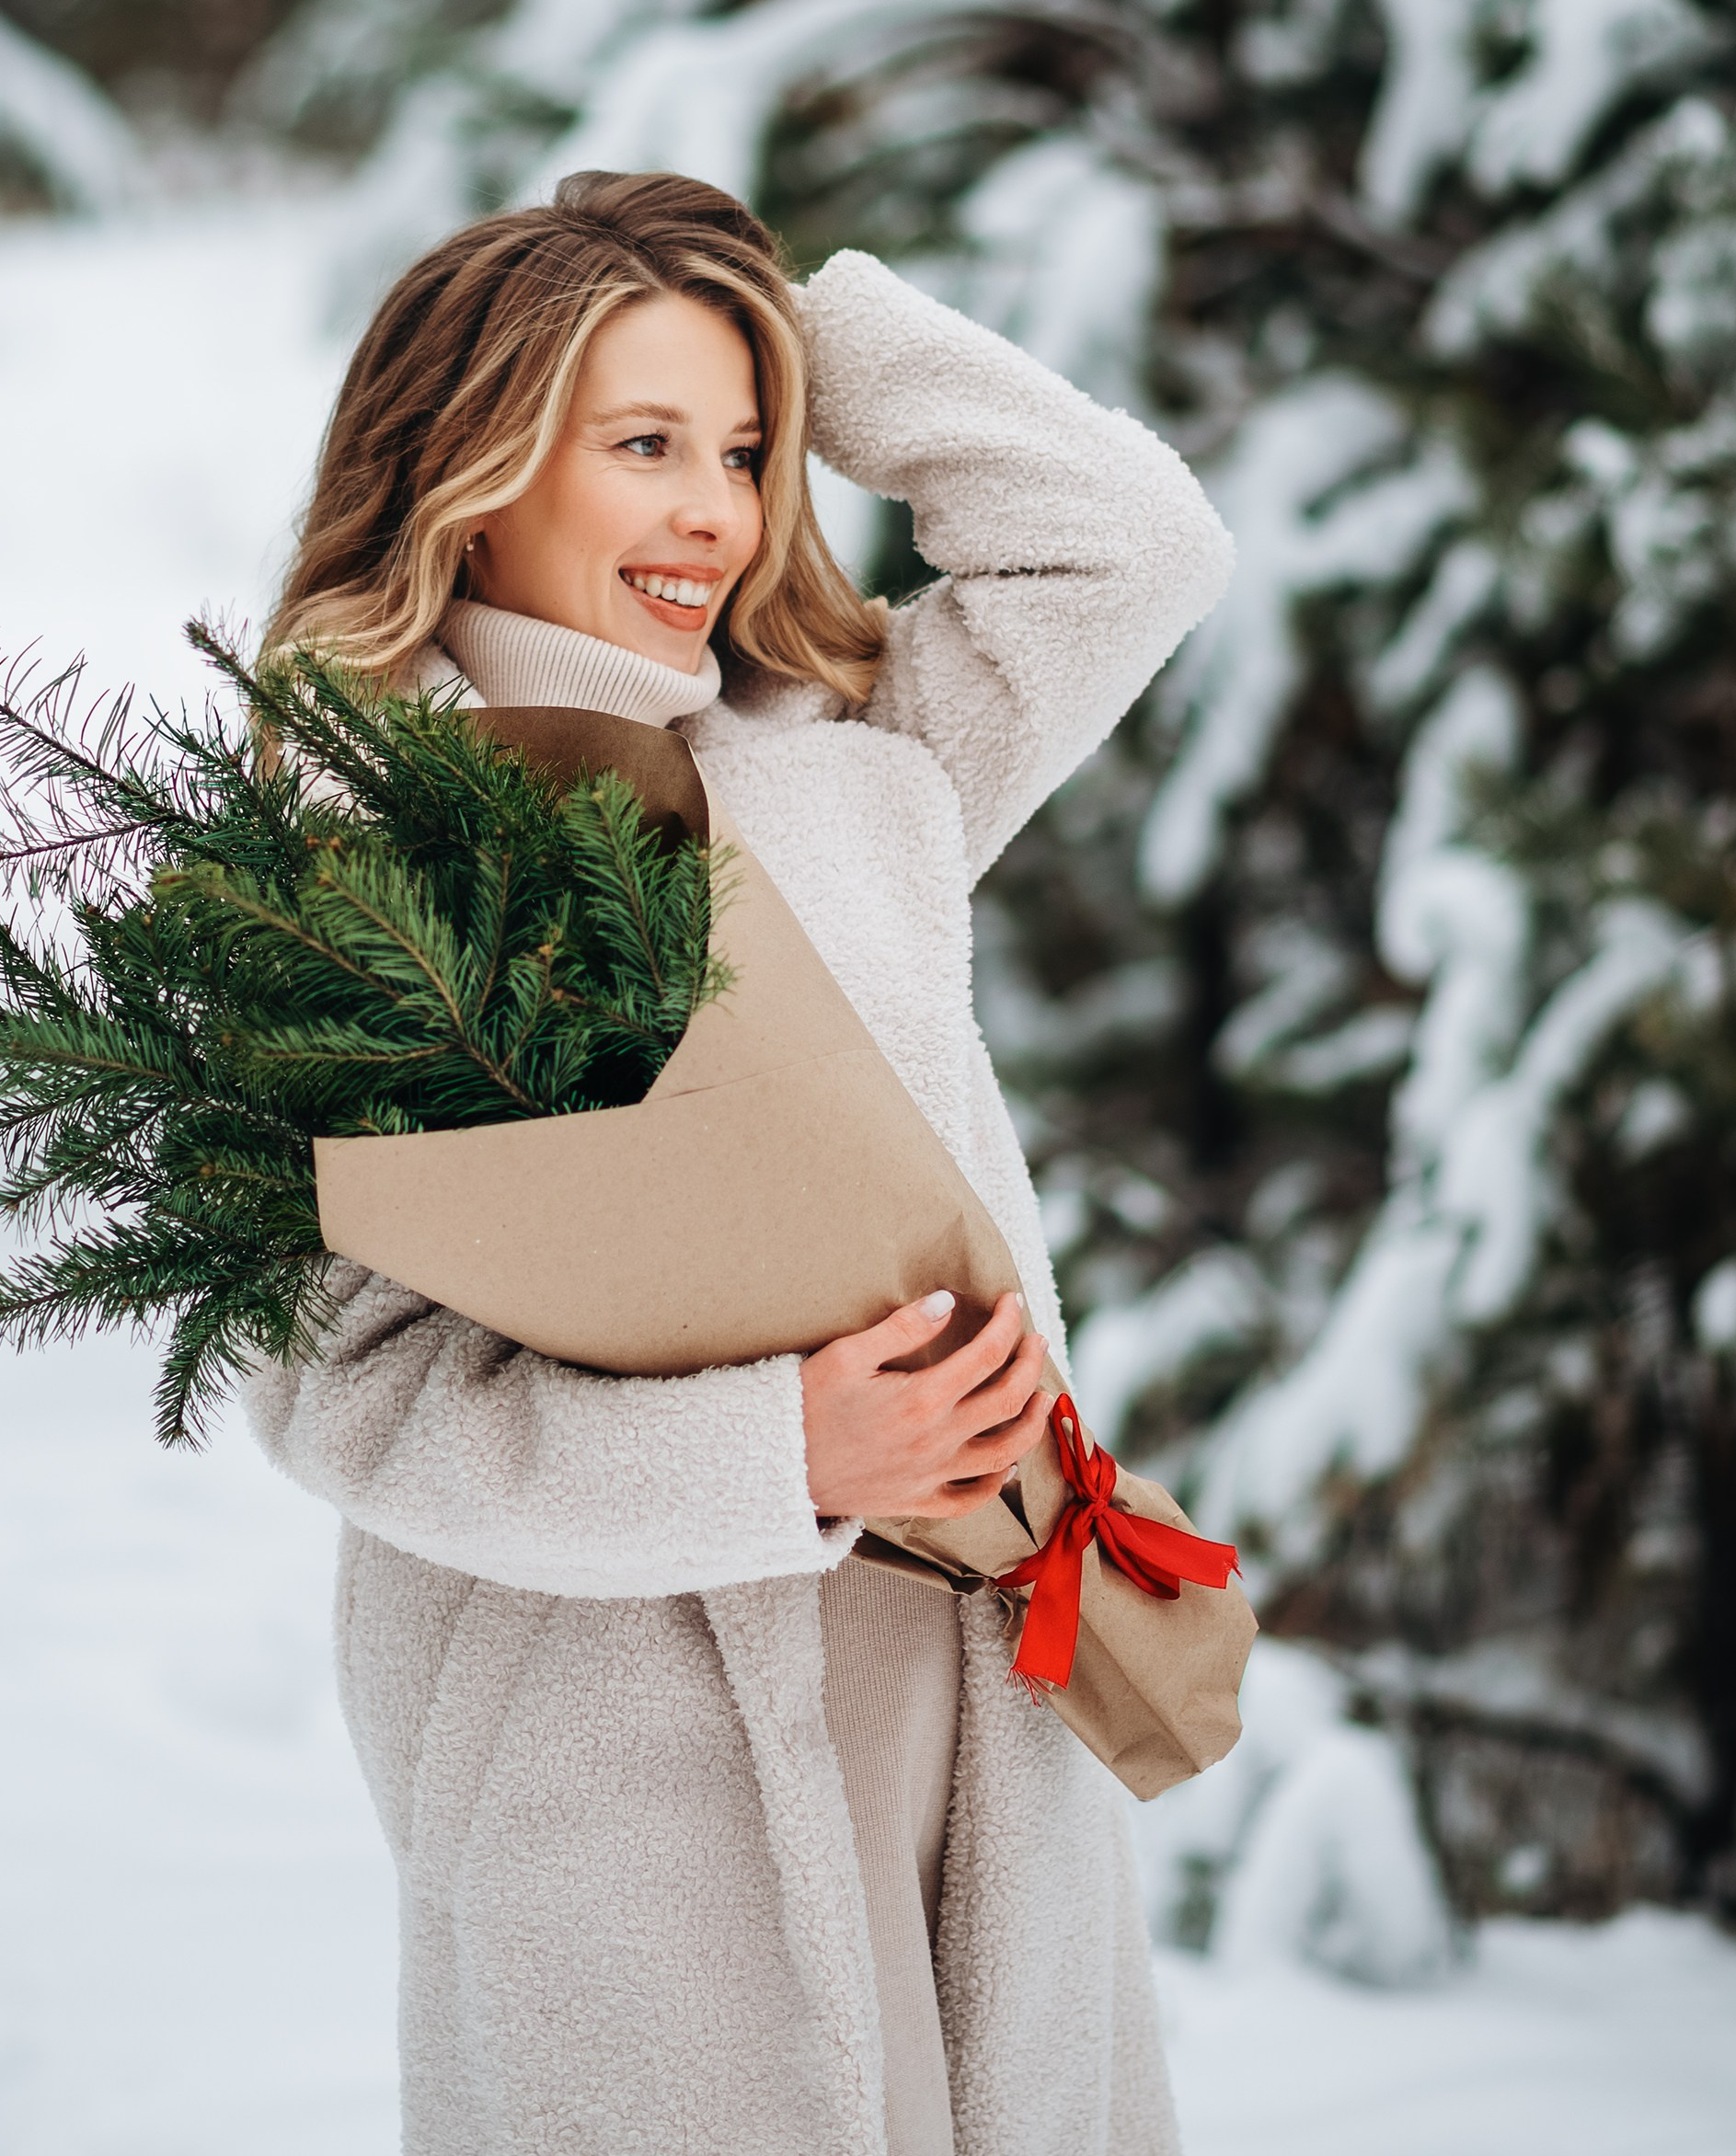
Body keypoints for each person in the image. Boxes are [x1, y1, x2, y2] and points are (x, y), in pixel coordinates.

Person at [246, 169, 1232, 2156]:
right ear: (472, 455)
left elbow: (1127, 545)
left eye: (748, 449)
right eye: (643, 444)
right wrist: (775, 1454)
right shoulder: (359, 854)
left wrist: (775, 307)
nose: (715, 508)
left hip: (965, 1655)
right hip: (615, 1726)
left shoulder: (857, 763)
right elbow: (335, 1390)